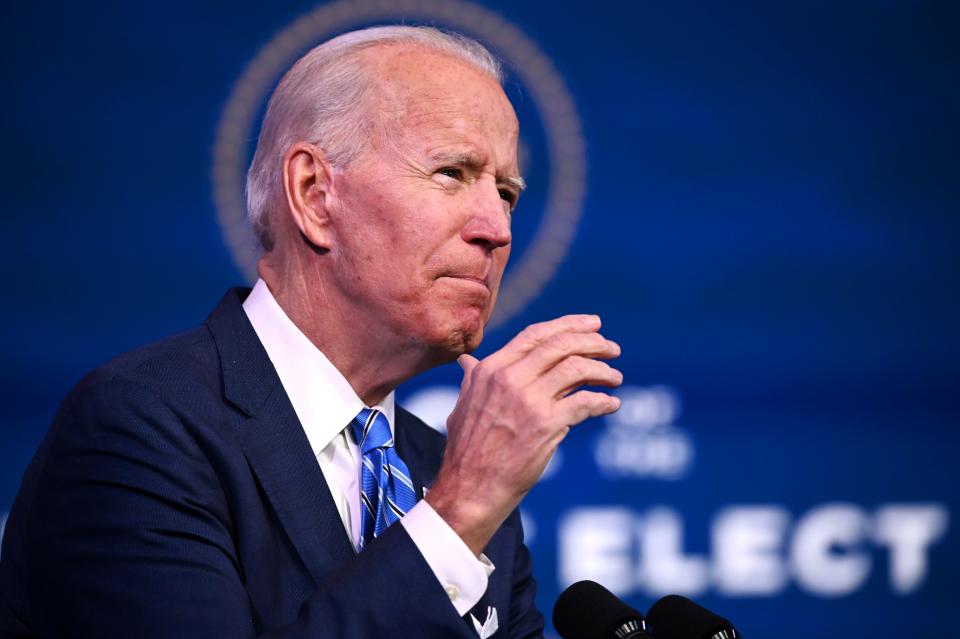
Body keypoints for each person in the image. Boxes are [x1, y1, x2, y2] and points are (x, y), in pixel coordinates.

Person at [0, 26, 622, 637]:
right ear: (313, 193)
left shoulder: (444, 470)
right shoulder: (139, 428)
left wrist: (462, 505)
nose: (497, 227)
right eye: (451, 173)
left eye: (507, 192)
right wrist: (456, 517)